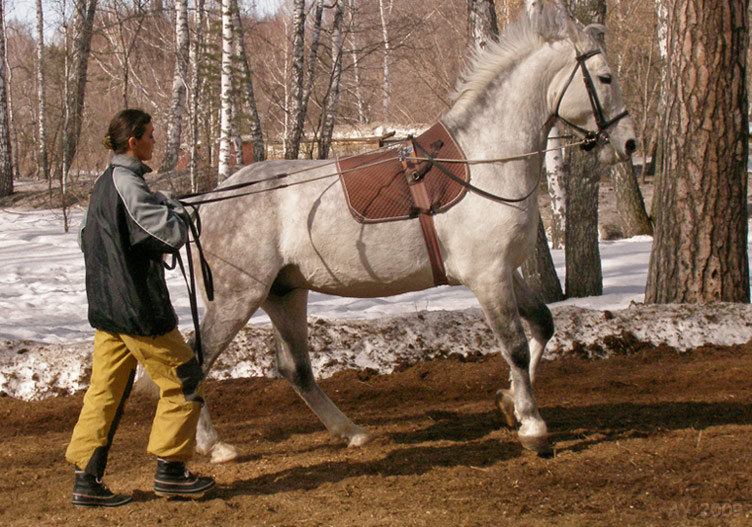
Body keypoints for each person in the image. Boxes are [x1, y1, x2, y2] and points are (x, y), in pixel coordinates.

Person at [65, 109, 215, 507]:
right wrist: (180, 215)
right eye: (150, 135)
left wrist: (158, 205)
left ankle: (86, 479)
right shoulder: (128, 183)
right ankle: (171, 472)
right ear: (133, 141)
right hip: (138, 312)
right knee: (185, 379)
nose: (155, 141)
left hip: (107, 311)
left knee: (104, 393)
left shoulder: (103, 184)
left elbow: (86, 239)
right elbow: (166, 234)